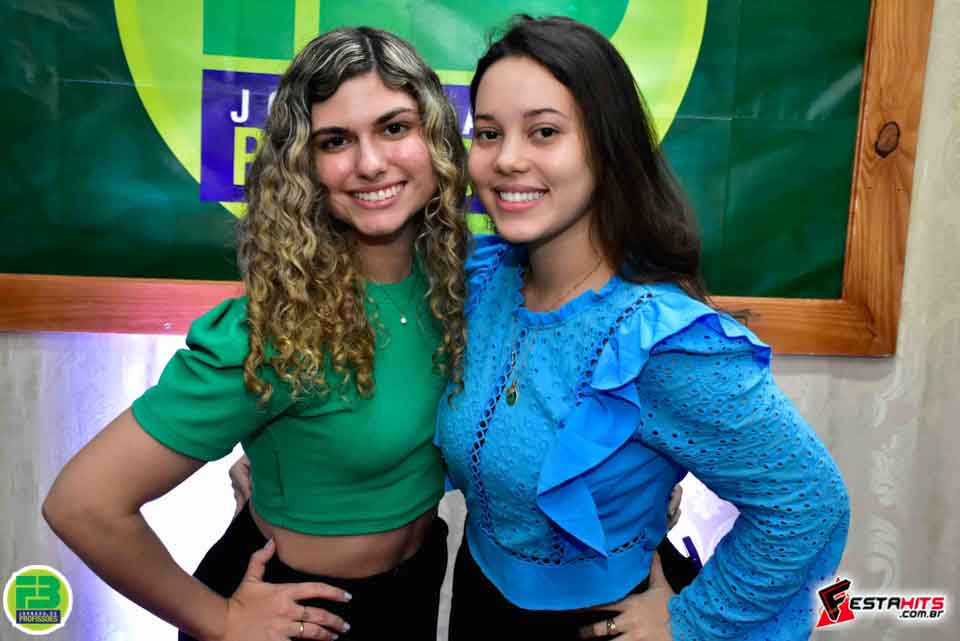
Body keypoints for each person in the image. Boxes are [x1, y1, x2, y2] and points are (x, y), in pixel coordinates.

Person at [42, 26, 471, 641]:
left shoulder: (459, 285)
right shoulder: (273, 328)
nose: (371, 162)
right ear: (303, 165)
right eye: (335, 140)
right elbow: (81, 503)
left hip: (416, 587)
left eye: (395, 128)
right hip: (300, 612)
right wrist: (220, 620)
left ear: (436, 137)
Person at [434, 16, 851, 641]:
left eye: (544, 131)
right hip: (479, 601)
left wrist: (691, 619)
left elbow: (807, 503)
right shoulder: (482, 283)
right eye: (489, 133)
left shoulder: (659, 341)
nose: (508, 159)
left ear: (608, 147)